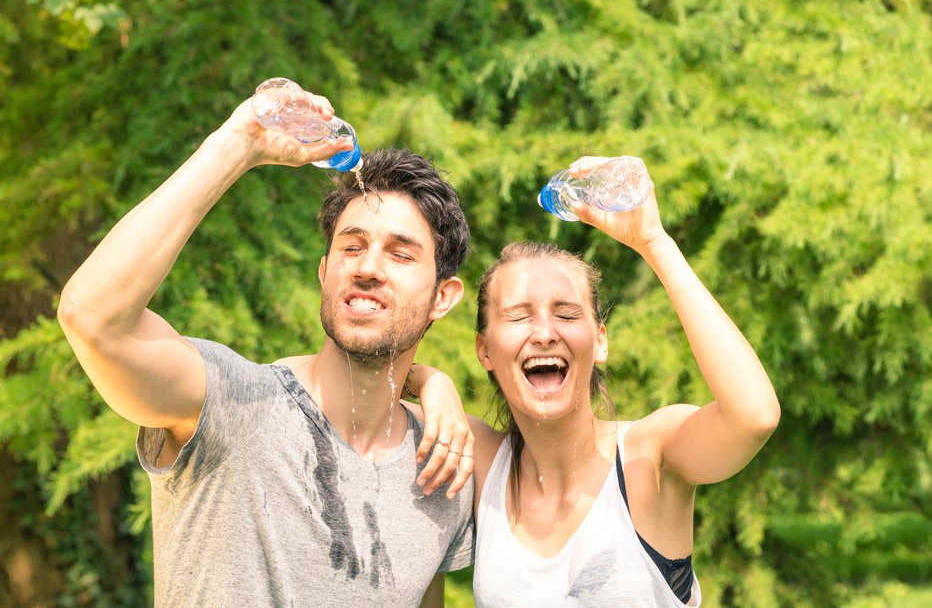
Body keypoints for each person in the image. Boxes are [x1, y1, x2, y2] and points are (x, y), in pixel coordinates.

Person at [57, 87, 476, 606]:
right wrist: (238, 143)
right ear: (326, 272)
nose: (367, 268)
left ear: (443, 297)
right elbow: (92, 318)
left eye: (400, 254)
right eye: (351, 246)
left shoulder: (444, 467)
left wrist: (432, 381)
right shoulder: (232, 404)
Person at [464, 155, 780, 606]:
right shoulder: (481, 461)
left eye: (567, 314)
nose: (545, 332)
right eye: (518, 316)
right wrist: (427, 379)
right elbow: (360, 395)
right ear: (485, 351)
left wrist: (654, 242)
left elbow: (755, 416)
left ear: (600, 340)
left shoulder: (647, 458)